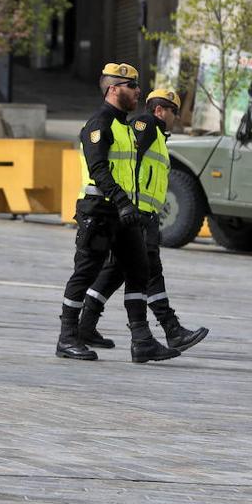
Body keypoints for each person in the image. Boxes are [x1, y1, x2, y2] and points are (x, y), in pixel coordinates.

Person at [56, 63, 180, 364]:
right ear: (113, 89)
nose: (138, 91)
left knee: (138, 271)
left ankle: (142, 340)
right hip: (99, 211)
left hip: (124, 214)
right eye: (131, 86)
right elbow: (98, 169)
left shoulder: (124, 126)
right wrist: (124, 202)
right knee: (85, 273)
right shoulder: (99, 124)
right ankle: (67, 338)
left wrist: (130, 206)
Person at [80, 88, 209, 353]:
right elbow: (129, 164)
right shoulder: (147, 124)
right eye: (173, 111)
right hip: (136, 214)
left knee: (116, 272)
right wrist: (129, 206)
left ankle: (86, 325)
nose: (176, 117)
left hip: (143, 214)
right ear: (159, 110)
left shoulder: (160, 136)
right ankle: (169, 329)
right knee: (149, 269)